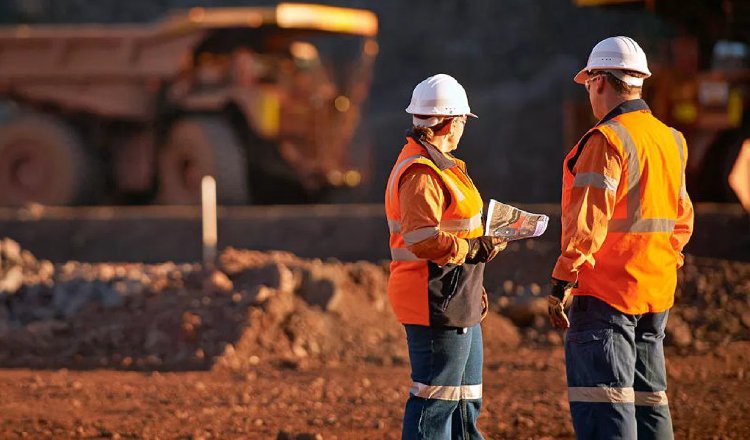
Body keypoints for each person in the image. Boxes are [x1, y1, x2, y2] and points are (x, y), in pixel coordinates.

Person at [547, 36, 694, 439]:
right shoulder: (671, 139)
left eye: (589, 85)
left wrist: (563, 278)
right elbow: (681, 220)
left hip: (606, 296)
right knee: (650, 404)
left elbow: (587, 224)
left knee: (605, 407)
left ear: (598, 82)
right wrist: (664, 263)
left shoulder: (606, 139)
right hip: (655, 293)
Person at [385, 73, 506, 439]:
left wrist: (481, 247)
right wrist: (471, 249)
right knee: (434, 405)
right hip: (435, 300)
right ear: (453, 122)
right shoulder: (421, 171)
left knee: (465, 402)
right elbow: (422, 238)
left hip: (457, 297)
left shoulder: (441, 164)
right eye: (464, 123)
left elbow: (454, 228)